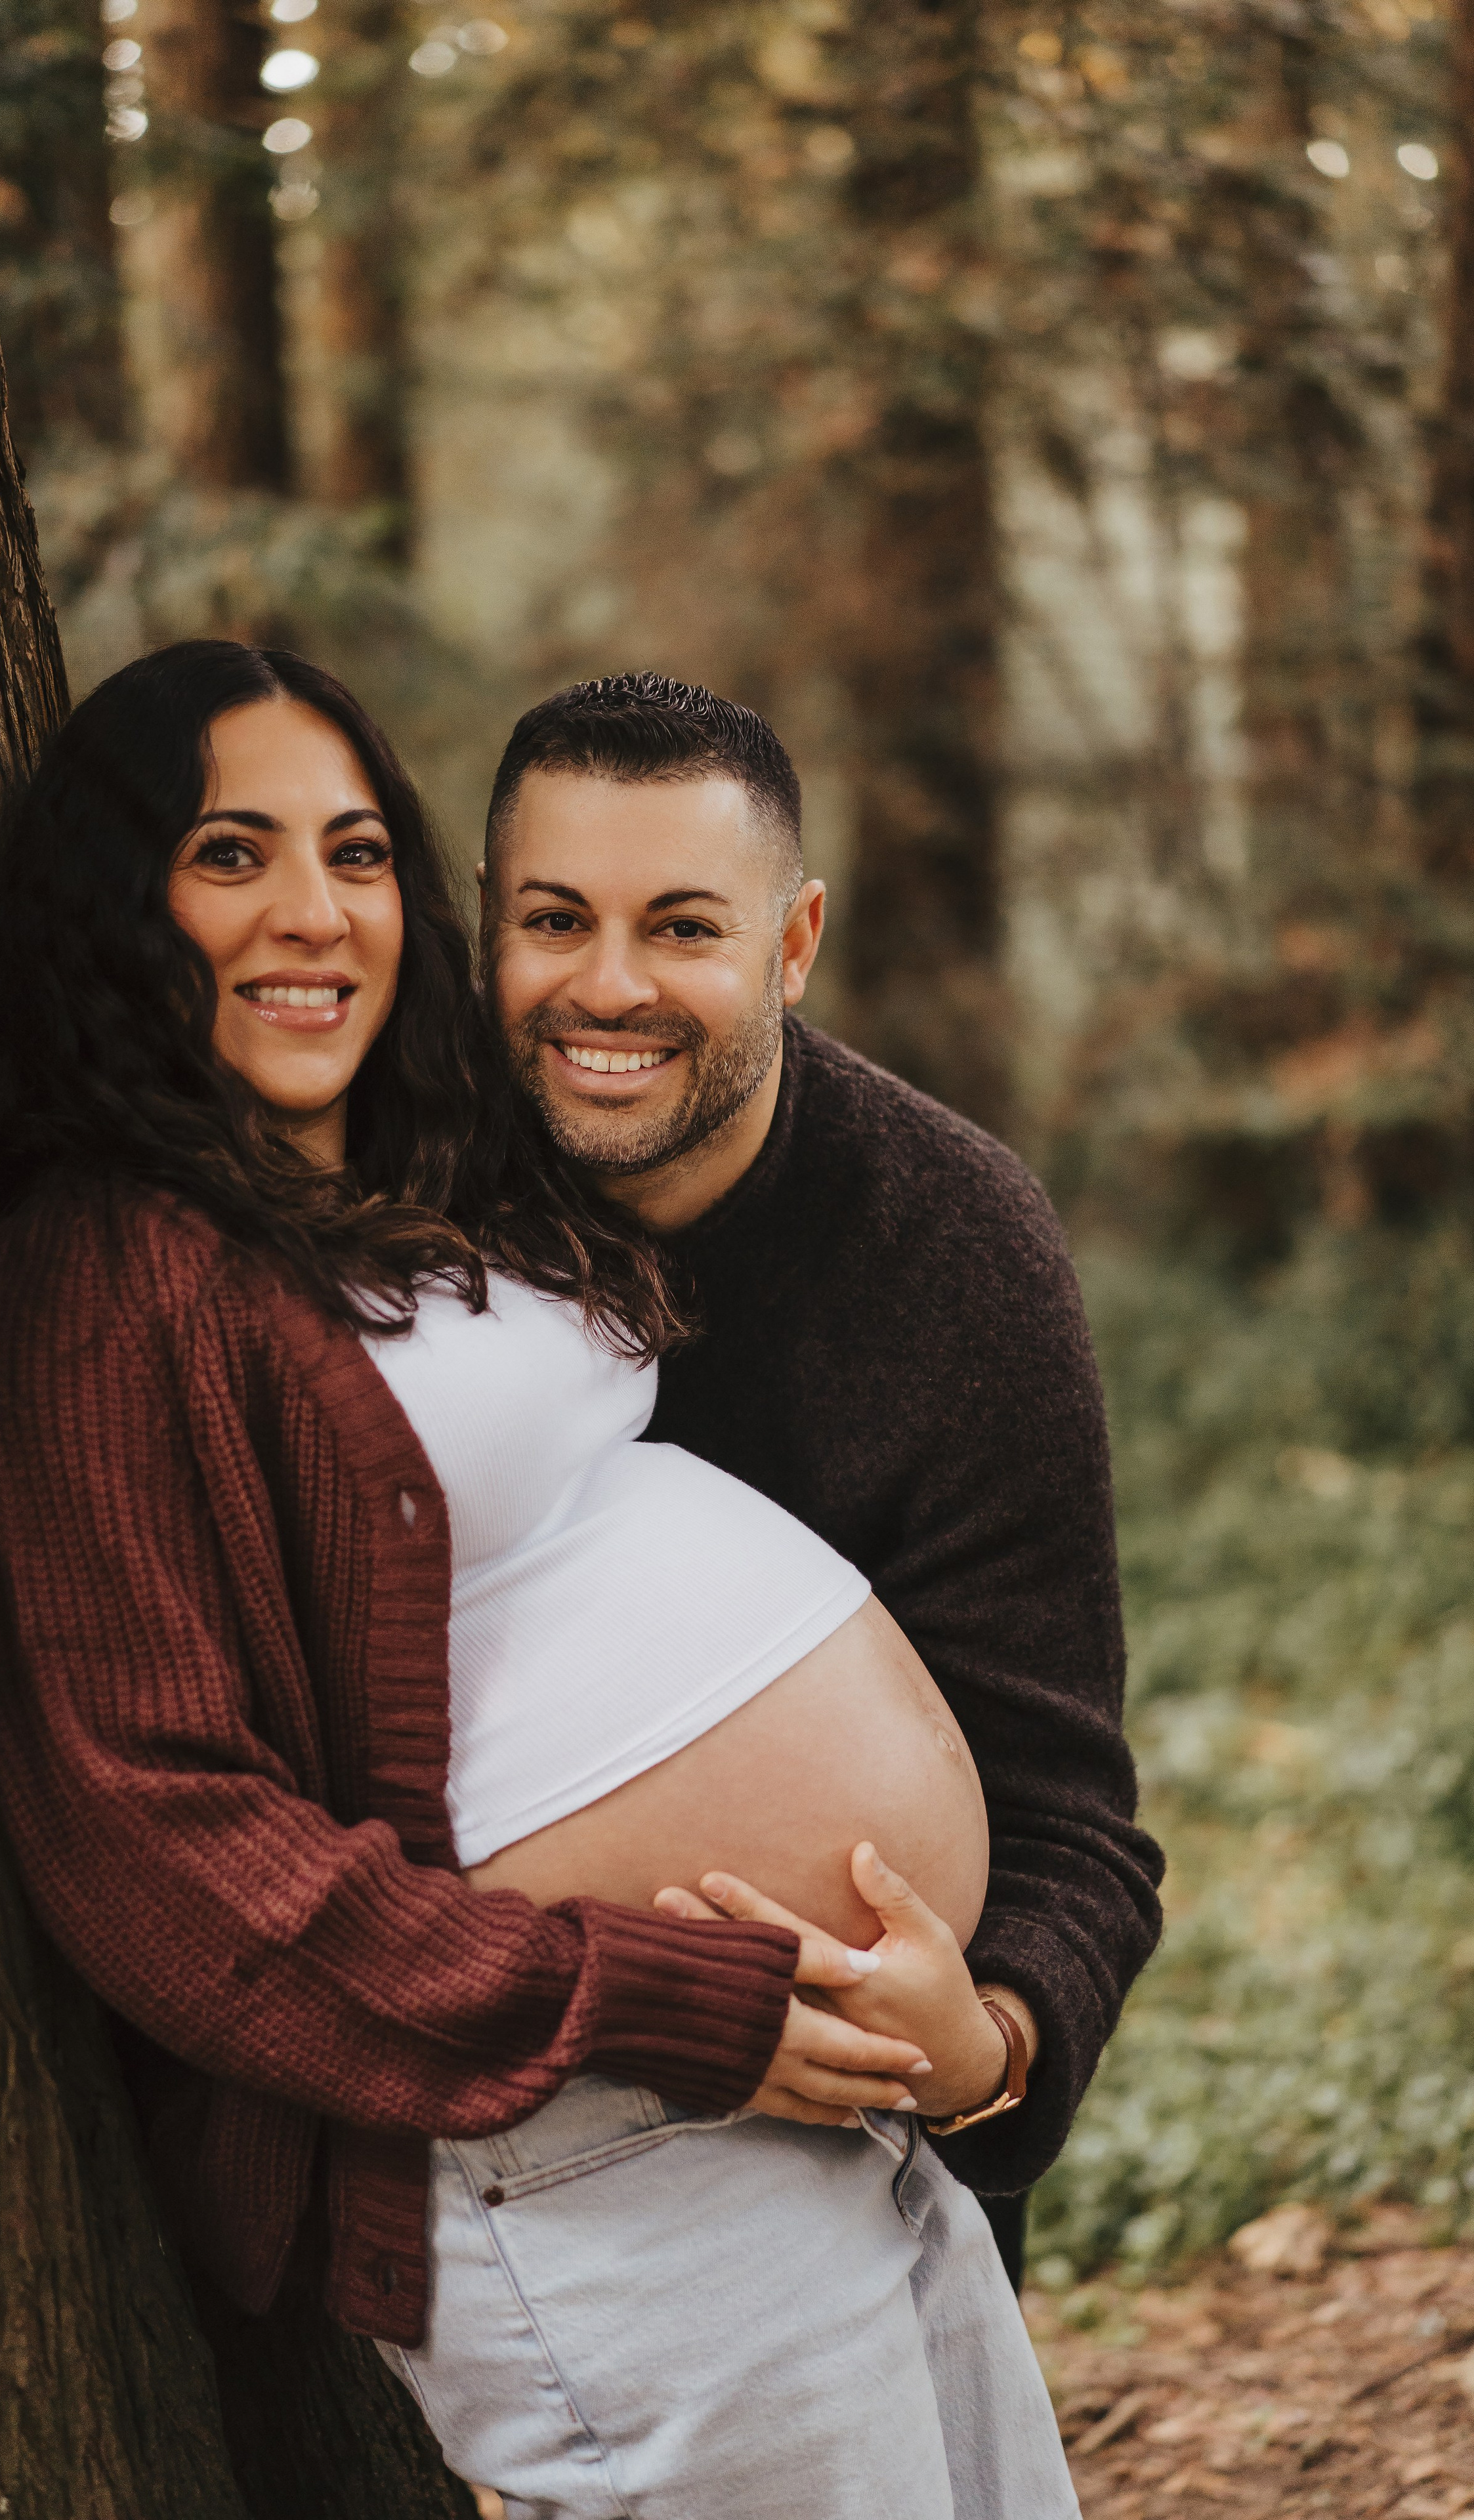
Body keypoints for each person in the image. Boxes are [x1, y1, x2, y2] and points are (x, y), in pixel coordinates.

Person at [0, 638, 1079, 2520]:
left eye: (357, 852)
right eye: (231, 854)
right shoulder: (105, 1280)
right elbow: (158, 1857)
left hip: (806, 2103)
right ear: (116, 898)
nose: (313, 914)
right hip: (576, 2150)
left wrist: (957, 2037)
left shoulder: (423, 1176)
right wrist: (657, 1999)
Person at [480, 670, 1168, 2292]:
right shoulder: (394, 1187)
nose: (607, 987)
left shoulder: (952, 1245)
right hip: (446, 2096)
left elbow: (1068, 1809)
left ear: (790, 947)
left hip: (842, 2162)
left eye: (683, 929)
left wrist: (983, 2046)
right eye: (554, 919)